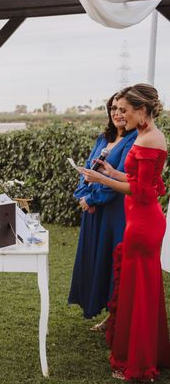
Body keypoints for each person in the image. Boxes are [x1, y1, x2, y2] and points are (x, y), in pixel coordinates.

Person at [82, 83, 170, 382]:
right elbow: (140, 180)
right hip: (142, 219)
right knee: (140, 291)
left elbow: (142, 192)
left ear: (141, 110)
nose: (122, 117)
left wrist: (100, 180)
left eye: (126, 111)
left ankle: (140, 364)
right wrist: (111, 171)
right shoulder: (146, 136)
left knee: (140, 294)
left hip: (143, 222)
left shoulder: (149, 140)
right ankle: (150, 353)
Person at [68, 94, 137, 326]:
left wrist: (93, 199)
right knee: (94, 260)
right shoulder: (103, 137)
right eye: (113, 108)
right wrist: (82, 195)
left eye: (121, 109)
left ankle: (115, 316)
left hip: (113, 212)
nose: (117, 113)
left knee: (112, 262)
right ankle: (101, 309)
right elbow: (87, 169)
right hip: (93, 211)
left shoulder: (133, 140)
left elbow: (117, 181)